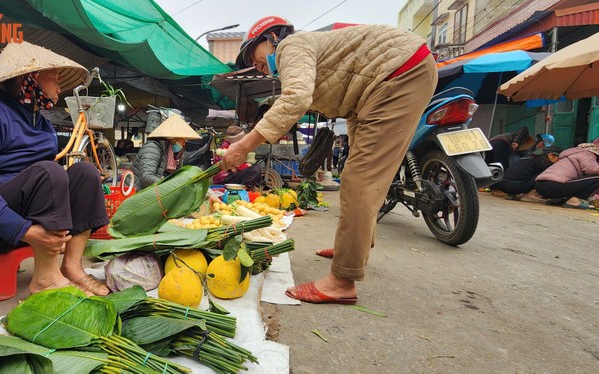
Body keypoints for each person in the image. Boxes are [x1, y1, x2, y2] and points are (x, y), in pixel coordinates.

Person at [223, 18, 437, 304]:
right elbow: (349, 102)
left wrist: (243, 146)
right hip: (393, 77)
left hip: (399, 74)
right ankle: (354, 246)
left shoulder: (290, 46)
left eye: (255, 55)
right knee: (359, 173)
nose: (258, 65)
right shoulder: (312, 55)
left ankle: (342, 282)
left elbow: (295, 99)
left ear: (272, 37)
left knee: (360, 179)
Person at [0, 42, 111, 295]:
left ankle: (71, 267)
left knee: (85, 173)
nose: (60, 88)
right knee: (49, 173)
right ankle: (45, 278)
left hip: (18, 216)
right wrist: (24, 230)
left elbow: (37, 187)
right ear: (30, 78)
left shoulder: (41, 123)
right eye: (54, 79)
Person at [131, 115, 201, 190]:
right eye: (183, 140)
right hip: (138, 193)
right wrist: (171, 185)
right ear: (173, 139)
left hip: (153, 191)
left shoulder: (173, 154)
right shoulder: (152, 148)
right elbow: (146, 177)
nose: (184, 143)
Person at [534, 138, 599, 209]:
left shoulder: (572, 155)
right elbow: (591, 169)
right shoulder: (587, 154)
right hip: (555, 185)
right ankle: (575, 201)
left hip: (540, 186)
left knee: (578, 180)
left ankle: (557, 199)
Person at [492, 147, 561, 200]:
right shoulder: (543, 163)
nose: (560, 161)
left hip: (502, 185)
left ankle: (513, 194)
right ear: (550, 155)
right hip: (514, 187)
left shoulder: (529, 157)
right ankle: (526, 194)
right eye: (559, 158)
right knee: (545, 175)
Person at [486, 127, 554, 171]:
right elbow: (524, 129)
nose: (542, 146)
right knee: (502, 166)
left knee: (488, 164)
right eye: (543, 144)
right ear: (541, 139)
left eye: (545, 146)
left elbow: (524, 155)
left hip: (492, 143)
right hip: (501, 143)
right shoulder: (531, 140)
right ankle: (497, 187)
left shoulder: (531, 146)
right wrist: (517, 141)